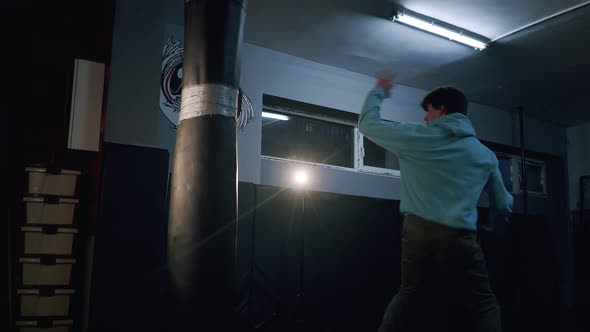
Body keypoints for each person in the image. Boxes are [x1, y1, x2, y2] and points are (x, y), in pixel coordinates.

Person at [358, 71, 514, 332]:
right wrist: (497, 225)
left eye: (428, 111)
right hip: (459, 236)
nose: (425, 117)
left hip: (417, 232)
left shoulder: (417, 137)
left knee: (409, 294)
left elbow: (368, 124)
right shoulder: (484, 155)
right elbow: (503, 203)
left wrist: (378, 92)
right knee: (482, 303)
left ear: (442, 109)